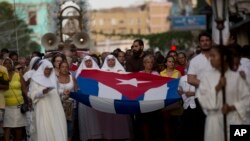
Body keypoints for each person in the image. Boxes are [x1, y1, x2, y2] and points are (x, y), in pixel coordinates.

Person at [197, 46, 250, 141]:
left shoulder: (236, 77)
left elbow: (247, 99)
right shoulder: (206, 77)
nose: (211, 59)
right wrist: (217, 88)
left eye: (213, 56)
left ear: (224, 57)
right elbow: (202, 99)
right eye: (210, 56)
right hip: (214, 123)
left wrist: (232, 107)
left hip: (235, 120)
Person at [28, 59, 67, 141]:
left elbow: (57, 91)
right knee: (45, 128)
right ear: (42, 68)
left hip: (56, 108)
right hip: (43, 108)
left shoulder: (53, 79)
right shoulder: (35, 79)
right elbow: (32, 94)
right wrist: (42, 92)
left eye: (50, 70)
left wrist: (64, 93)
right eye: (46, 69)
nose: (48, 71)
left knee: (58, 127)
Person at [184, 32, 213, 141]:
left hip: (218, 97)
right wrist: (207, 85)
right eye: (202, 41)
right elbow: (190, 79)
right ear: (199, 43)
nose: (205, 43)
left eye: (207, 40)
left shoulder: (218, 57)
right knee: (202, 129)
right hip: (201, 99)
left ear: (211, 41)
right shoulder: (195, 61)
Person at [100, 54, 132, 140]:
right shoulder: (103, 70)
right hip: (108, 97)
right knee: (109, 117)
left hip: (119, 96)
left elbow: (126, 83)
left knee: (120, 116)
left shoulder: (121, 69)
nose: (111, 62)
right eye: (109, 60)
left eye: (113, 60)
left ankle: (122, 135)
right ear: (106, 61)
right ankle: (109, 136)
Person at [75, 55, 103, 141]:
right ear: (84, 63)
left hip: (96, 98)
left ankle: (97, 136)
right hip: (85, 99)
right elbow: (77, 87)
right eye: (86, 61)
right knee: (86, 117)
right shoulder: (79, 73)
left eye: (90, 61)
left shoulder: (98, 72)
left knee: (96, 118)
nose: (88, 63)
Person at [2, 58, 27, 141]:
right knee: (6, 128)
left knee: (18, 128)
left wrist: (28, 99)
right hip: (6, 106)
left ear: (12, 65)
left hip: (18, 105)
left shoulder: (18, 74)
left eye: (9, 63)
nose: (7, 65)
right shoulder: (0, 76)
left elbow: (24, 89)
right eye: (5, 63)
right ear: (2, 65)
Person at [160, 56, 182, 141]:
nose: (171, 63)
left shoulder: (178, 73)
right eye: (169, 61)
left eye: (173, 62)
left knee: (176, 125)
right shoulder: (161, 73)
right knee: (166, 125)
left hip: (176, 100)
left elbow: (180, 86)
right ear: (166, 63)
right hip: (166, 101)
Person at [57, 61, 77, 141]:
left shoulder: (72, 77)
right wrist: (62, 93)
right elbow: (53, 91)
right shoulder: (55, 78)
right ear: (59, 68)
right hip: (59, 105)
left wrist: (70, 93)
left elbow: (76, 90)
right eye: (62, 67)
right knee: (60, 126)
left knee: (70, 127)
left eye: (66, 67)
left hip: (71, 105)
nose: (65, 69)